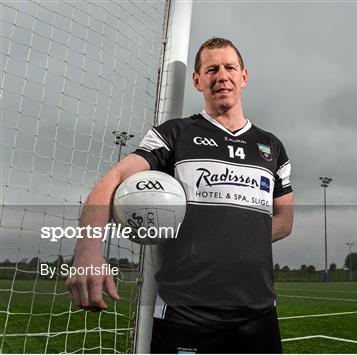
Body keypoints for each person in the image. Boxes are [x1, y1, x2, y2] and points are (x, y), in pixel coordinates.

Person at [66, 37, 294, 353]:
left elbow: (284, 219)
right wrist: (88, 251)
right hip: (186, 315)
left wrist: (237, 237)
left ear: (244, 76)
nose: (221, 76)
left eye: (229, 67)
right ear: (197, 80)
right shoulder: (175, 134)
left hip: (258, 315)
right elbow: (113, 179)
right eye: (211, 69)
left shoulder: (272, 147)